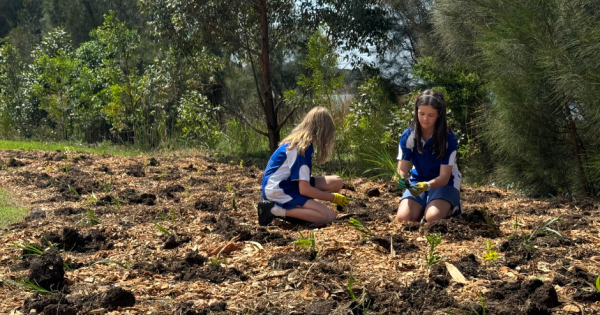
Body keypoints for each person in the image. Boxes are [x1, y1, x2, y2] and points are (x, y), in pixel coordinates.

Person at [257, 107, 351, 226]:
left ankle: (302, 207)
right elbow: (305, 189)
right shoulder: (302, 148)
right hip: (279, 189)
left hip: (290, 183)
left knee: (337, 182)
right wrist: (332, 198)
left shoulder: (302, 143)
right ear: (323, 131)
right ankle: (274, 210)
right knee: (329, 216)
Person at [396, 90, 462, 223]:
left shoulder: (448, 138)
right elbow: (402, 169)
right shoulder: (408, 135)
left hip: (446, 183)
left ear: (439, 115)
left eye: (431, 115)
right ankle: (426, 204)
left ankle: (453, 207)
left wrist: (425, 186)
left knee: (433, 218)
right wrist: (404, 181)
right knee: (404, 218)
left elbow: (444, 177)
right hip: (417, 180)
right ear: (416, 112)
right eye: (421, 114)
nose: (425, 119)